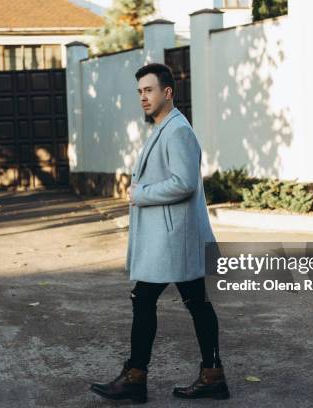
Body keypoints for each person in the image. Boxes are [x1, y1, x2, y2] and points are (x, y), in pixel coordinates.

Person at [89, 63, 230, 403]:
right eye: (140, 92)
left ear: (167, 92)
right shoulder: (164, 127)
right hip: (173, 238)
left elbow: (183, 183)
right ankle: (210, 375)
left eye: (149, 90)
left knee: (150, 299)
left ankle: (137, 378)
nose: (143, 97)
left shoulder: (177, 130)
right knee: (195, 302)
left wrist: (141, 195)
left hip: (174, 239)